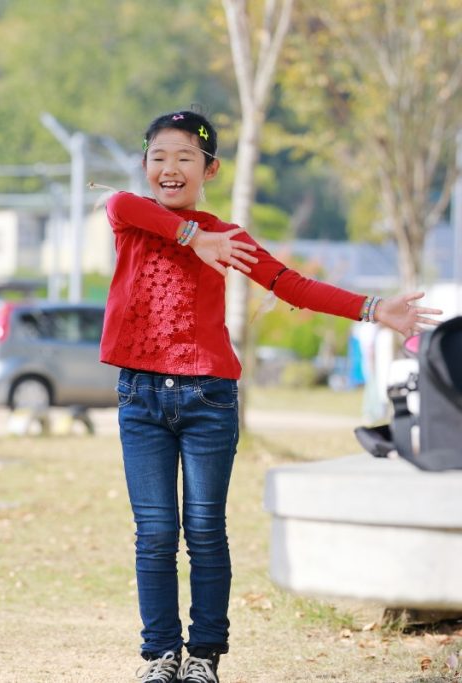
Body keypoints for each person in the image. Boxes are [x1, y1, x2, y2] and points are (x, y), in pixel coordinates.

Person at [101, 109, 440, 683]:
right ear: (145, 164)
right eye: (158, 157)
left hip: (208, 398)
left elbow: (291, 285)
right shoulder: (132, 219)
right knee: (154, 534)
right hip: (141, 398)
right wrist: (193, 238)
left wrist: (374, 309)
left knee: (204, 531)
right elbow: (120, 203)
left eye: (185, 157)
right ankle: (160, 656)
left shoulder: (230, 238)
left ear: (210, 169)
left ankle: (203, 657)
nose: (170, 168)